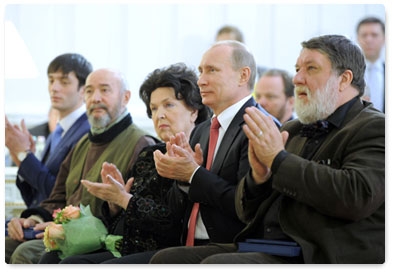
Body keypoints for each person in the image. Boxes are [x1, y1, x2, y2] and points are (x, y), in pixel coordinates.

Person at [150, 35, 385, 264]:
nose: (297, 79)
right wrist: (258, 177)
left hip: (323, 252)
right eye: (297, 69)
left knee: (218, 265)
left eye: (311, 69)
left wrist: (278, 159)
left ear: (344, 79)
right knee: (167, 259)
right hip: (274, 244)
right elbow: (247, 211)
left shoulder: (375, 126)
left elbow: (357, 194)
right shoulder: (294, 129)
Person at [38, 62, 212, 264]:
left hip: (165, 250)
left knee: (73, 264)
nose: (159, 114)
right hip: (126, 244)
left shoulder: (200, 154)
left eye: (169, 105)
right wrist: (114, 204)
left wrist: (123, 199)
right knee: (51, 258)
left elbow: (170, 223)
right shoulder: (150, 154)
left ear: (194, 111)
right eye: (154, 108)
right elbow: (125, 219)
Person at [5, 68, 157, 264]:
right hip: (62, 233)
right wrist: (34, 219)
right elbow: (58, 196)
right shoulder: (83, 143)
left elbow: (136, 215)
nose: (95, 98)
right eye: (89, 91)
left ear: (125, 97)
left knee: (25, 253)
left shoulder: (141, 143)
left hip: (100, 242)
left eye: (105, 90)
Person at [152, 41, 280, 250]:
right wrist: (183, 179)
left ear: (243, 76)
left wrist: (194, 174)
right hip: (187, 244)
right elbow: (175, 211)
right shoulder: (202, 130)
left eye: (212, 70)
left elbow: (247, 206)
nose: (201, 81)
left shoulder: (259, 126)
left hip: (234, 247)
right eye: (201, 71)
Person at [5, 53, 92, 208]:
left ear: (83, 90)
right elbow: (38, 195)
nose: (54, 88)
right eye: (51, 80)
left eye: (64, 82)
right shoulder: (58, 130)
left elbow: (60, 194)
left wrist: (25, 156)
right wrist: (23, 160)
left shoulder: (87, 131)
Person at [356, 16, 385, 113]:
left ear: (384, 38)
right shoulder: (348, 74)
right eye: (364, 35)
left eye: (374, 35)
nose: (369, 40)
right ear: (357, 39)